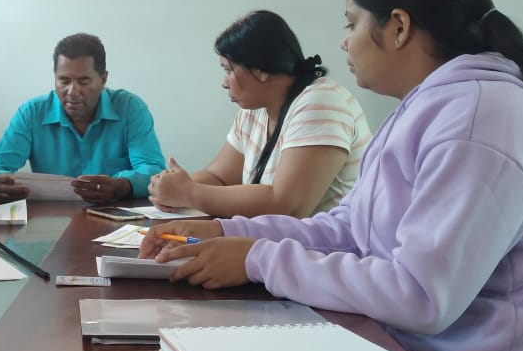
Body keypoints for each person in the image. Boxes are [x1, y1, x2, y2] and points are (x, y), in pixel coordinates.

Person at [140, 0, 523, 351]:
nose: (344, 43)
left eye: (352, 23)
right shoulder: (429, 108)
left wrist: (257, 258)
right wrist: (228, 232)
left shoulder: (478, 121)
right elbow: (349, 230)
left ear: (398, 27)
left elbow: (420, 295)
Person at [148, 11, 371, 218]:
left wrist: (188, 192)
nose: (224, 83)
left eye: (229, 70)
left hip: (330, 246)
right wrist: (170, 186)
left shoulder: (321, 101)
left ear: (261, 70)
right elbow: (220, 178)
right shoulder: (254, 111)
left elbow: (287, 206)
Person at [0, 33, 165, 204]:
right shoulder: (32, 113)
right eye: (64, 81)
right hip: (49, 220)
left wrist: (122, 185)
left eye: (83, 81)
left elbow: (154, 170)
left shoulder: (130, 108)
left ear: (103, 79)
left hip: (115, 216)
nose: (72, 91)